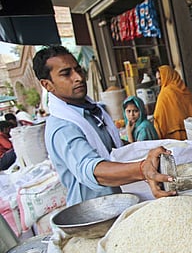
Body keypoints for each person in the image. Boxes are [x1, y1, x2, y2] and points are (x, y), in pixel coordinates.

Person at [32, 45, 176, 206]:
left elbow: (113, 150)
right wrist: (142, 169)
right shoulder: (63, 127)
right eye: (66, 74)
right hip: (96, 213)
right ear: (47, 84)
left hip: (120, 200)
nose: (78, 77)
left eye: (78, 70)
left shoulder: (93, 111)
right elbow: (91, 170)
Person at [153, 65, 192, 140]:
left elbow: (158, 117)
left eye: (160, 78)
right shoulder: (186, 91)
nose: (159, 82)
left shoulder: (165, 93)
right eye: (157, 79)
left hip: (174, 136)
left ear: (167, 76)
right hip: (191, 132)